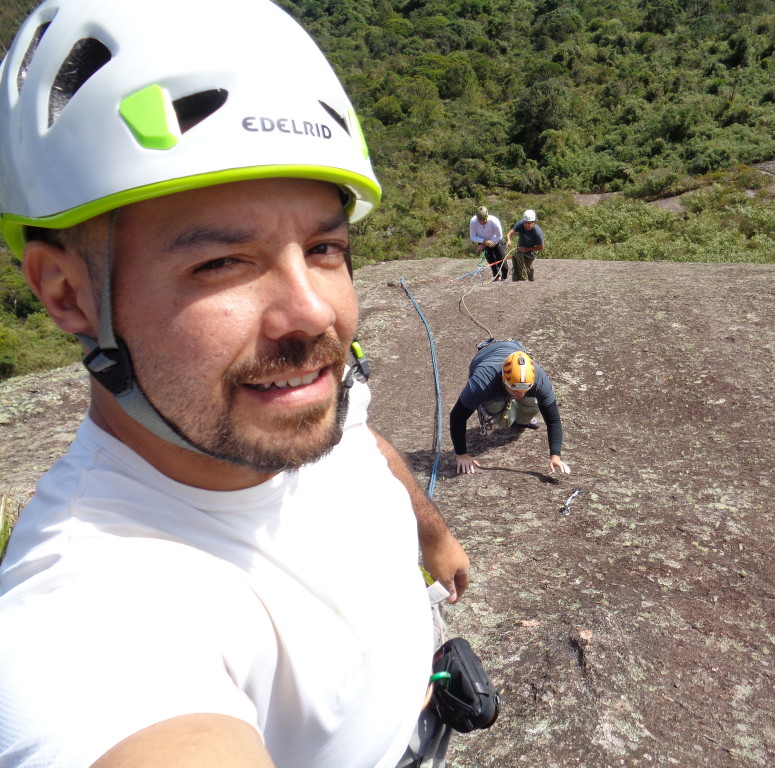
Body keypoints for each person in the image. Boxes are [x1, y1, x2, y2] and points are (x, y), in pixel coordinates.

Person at [0, 1, 469, 767]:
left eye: (325, 248)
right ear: (66, 293)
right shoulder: (84, 613)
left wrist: (436, 538)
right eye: (222, 262)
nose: (314, 315)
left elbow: (364, 444)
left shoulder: (294, 396)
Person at [449, 340, 571, 476]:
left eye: (525, 390)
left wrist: (555, 456)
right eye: (515, 390)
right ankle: (489, 406)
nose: (520, 395)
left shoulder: (540, 380)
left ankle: (521, 418)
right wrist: (461, 454)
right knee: (503, 420)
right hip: (486, 358)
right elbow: (457, 416)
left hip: (514, 348)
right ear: (503, 379)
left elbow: (553, 419)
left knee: (532, 404)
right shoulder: (482, 383)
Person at [504, 209, 544, 282]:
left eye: (529, 223)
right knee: (517, 263)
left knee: (528, 266)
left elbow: (541, 247)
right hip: (520, 248)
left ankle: (531, 279)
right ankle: (517, 278)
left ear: (534, 223)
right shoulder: (520, 224)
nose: (527, 225)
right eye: (526, 223)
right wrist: (509, 240)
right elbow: (509, 234)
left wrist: (526, 248)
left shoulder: (537, 233)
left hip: (531, 251)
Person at [468, 205, 507, 281]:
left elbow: (500, 236)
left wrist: (485, 243)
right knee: (491, 261)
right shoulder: (473, 221)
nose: (483, 222)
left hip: (496, 240)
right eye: (481, 221)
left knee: (502, 261)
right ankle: (496, 277)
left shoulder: (494, 221)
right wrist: (484, 242)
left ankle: (504, 278)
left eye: (484, 220)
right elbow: (472, 237)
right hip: (482, 241)